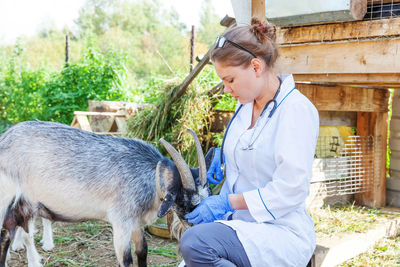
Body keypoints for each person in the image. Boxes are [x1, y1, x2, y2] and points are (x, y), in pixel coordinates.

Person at [179, 17, 319, 267]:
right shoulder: (244, 107)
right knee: (192, 253)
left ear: (256, 67)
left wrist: (227, 202)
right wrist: (223, 154)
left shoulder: (295, 110)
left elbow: (291, 189)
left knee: (195, 244)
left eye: (230, 80)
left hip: (280, 231)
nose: (226, 89)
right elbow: (252, 147)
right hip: (241, 226)